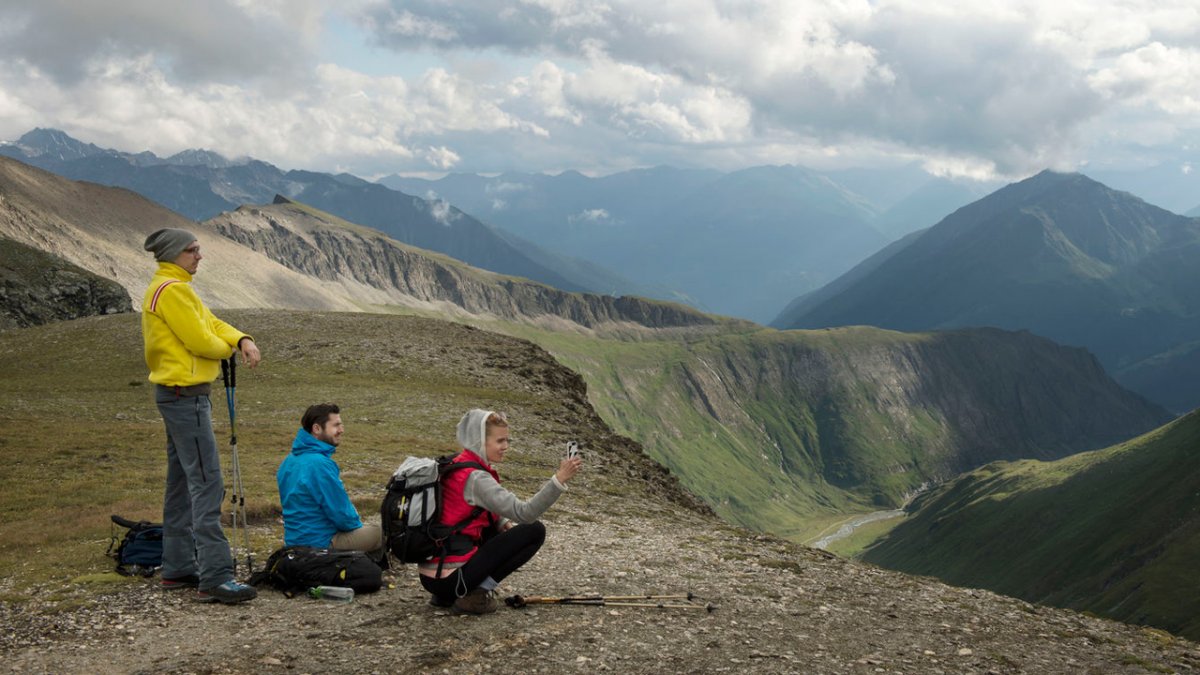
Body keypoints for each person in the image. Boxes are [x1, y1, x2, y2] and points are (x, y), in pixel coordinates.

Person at [141, 228, 261, 604]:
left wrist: (241, 337)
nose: (199, 255)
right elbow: (200, 340)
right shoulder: (172, 291)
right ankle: (215, 576)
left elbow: (212, 323)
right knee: (207, 482)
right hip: (185, 398)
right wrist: (230, 349)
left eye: (198, 249)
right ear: (173, 254)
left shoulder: (175, 287)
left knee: (181, 481)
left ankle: (177, 568)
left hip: (179, 396)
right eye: (192, 250)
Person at [420, 409, 582, 615]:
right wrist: (559, 480)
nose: (506, 447)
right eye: (500, 441)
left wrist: (499, 521)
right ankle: (476, 595)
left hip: (432, 576)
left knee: (498, 527)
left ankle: (447, 596)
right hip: (452, 579)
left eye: (507, 440)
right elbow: (526, 513)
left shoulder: (454, 464)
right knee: (534, 530)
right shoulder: (477, 478)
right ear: (480, 440)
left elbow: (461, 510)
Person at [276, 403, 384, 556]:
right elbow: (342, 515)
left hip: (294, 542)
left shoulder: (289, 461)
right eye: (336, 425)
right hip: (320, 543)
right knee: (380, 532)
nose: (341, 430)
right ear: (317, 429)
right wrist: (358, 528)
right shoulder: (319, 464)